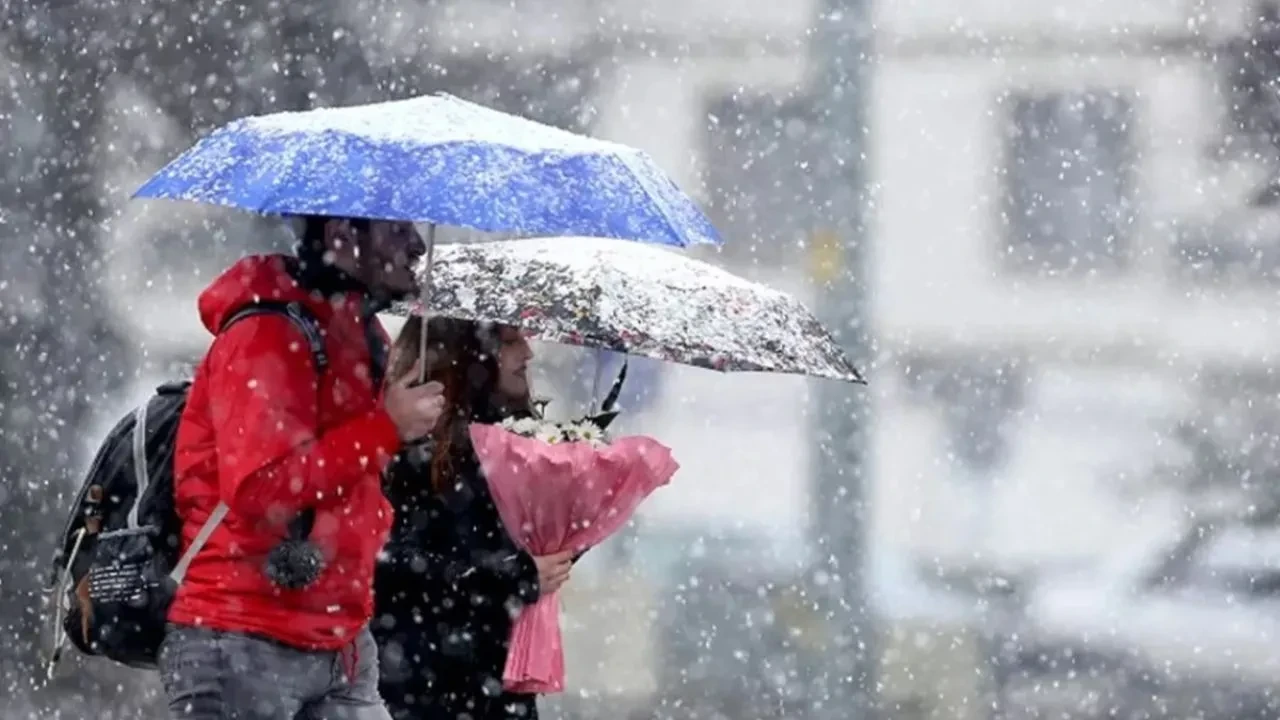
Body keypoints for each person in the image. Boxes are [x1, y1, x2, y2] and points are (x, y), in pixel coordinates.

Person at [161, 216, 446, 719]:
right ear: (342, 232)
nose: (417, 244)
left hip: (343, 643)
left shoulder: (362, 333)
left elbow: (352, 475)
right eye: (397, 230)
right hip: (243, 641)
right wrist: (386, 428)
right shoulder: (265, 332)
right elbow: (260, 487)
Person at [373, 315, 576, 720]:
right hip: (421, 678)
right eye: (511, 341)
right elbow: (384, 558)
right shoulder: (410, 442)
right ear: (471, 353)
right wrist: (508, 575)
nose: (528, 353)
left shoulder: (519, 440)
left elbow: (521, 554)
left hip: (499, 675)